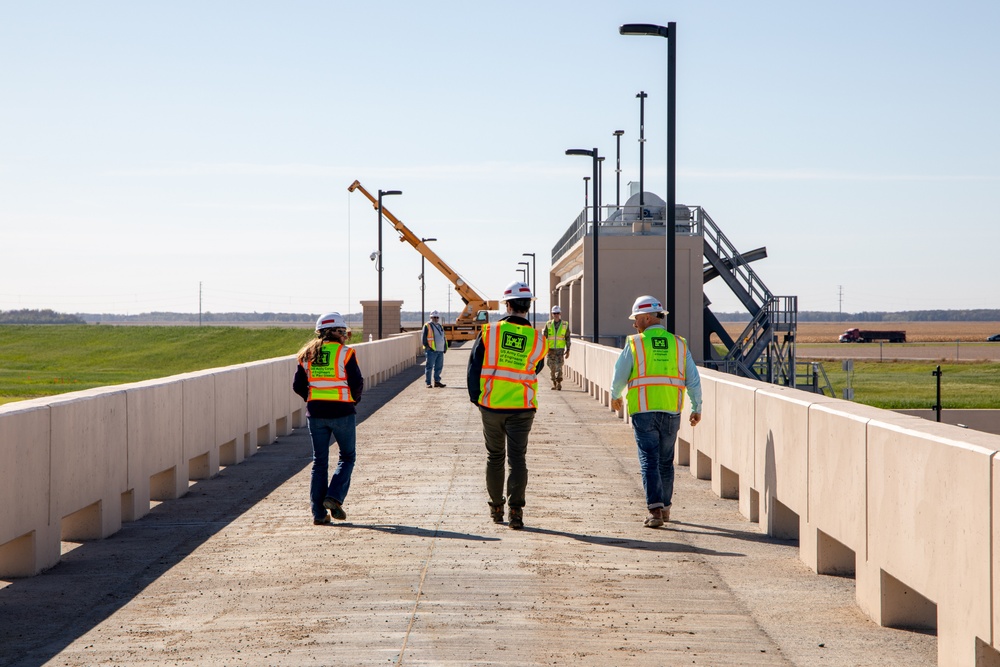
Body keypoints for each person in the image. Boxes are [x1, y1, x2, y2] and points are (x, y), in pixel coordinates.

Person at [610, 296, 702, 529]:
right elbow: (693, 378)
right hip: (672, 409)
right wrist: (697, 406)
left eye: (636, 319)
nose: (634, 324)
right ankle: (666, 507)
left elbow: (620, 373)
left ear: (647, 317)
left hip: (644, 410)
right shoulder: (679, 343)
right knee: (665, 461)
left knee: (649, 460)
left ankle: (655, 511)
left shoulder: (635, 343)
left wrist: (615, 395)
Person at [467, 280, 547, 530]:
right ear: (528, 307)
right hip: (522, 407)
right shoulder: (537, 338)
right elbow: (537, 367)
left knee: (495, 457)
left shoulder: (489, 332)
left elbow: (474, 367)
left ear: (508, 305)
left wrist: (477, 399)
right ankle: (516, 511)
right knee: (517, 459)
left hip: (491, 405)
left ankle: (496, 507)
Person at [293, 312, 364, 525]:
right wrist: (353, 400)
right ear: (332, 331)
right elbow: (357, 382)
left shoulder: (305, 354)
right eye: (342, 331)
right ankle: (333, 497)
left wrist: (312, 398)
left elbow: (297, 386)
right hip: (342, 412)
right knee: (347, 457)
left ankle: (319, 515)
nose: (344, 335)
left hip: (315, 414)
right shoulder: (346, 353)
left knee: (319, 462)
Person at [543, 305, 570, 390]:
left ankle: (559, 383)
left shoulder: (565, 324)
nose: (556, 315)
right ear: (552, 314)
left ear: (560, 314)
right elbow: (544, 337)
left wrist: (568, 349)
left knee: (559, 366)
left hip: (560, 350)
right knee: (551, 367)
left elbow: (567, 337)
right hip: (550, 350)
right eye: (554, 313)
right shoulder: (548, 324)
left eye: (557, 313)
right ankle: (554, 382)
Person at [422, 309, 448, 388]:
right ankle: (428, 383)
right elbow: (424, 338)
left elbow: (443, 337)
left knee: (439, 367)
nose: (436, 319)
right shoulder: (427, 325)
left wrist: (444, 347)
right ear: (431, 317)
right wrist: (428, 347)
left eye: (437, 317)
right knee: (429, 367)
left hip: (440, 351)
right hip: (431, 350)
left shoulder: (440, 326)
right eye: (434, 317)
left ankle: (437, 381)